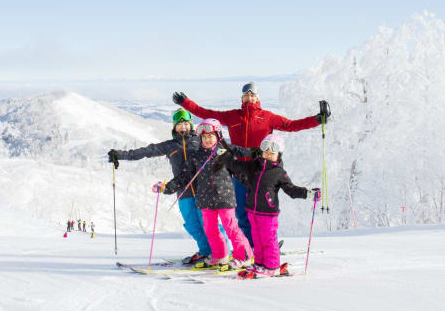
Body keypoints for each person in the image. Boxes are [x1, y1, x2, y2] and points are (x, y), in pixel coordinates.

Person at [172, 82, 330, 246]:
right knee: (241, 213)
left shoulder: (268, 117)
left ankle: (270, 245)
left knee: (264, 211)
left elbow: (291, 125)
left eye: (252, 94)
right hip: (239, 171)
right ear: (242, 98)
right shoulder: (233, 116)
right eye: (246, 95)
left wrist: (317, 120)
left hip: (261, 171)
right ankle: (250, 247)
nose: (249, 97)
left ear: (257, 97)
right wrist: (185, 103)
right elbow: (205, 113)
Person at [108, 109, 232, 265]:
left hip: (204, 191)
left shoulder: (200, 141)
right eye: (180, 125)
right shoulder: (170, 146)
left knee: (209, 225)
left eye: (186, 124)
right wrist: (120, 155)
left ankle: (226, 252)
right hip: (183, 191)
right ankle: (206, 251)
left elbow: (220, 147)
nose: (184, 127)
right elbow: (146, 151)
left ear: (191, 125)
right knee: (192, 225)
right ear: (174, 127)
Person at [154, 118, 253, 269]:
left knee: (230, 227)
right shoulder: (196, 155)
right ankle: (220, 256)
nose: (207, 140)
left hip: (224, 197)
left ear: (218, 136)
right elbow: (184, 176)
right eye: (204, 137)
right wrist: (167, 187)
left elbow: (240, 165)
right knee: (210, 230)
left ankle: (244, 256)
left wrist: (259, 156)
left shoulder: (223, 152)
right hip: (205, 200)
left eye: (210, 136)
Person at [221, 133, 321, 278]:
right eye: (265, 150)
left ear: (279, 154)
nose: (268, 154)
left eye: (272, 152)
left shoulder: (279, 173)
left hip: (268, 213)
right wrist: (225, 155)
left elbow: (291, 190)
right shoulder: (254, 167)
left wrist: (308, 193)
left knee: (268, 240)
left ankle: (272, 266)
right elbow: (236, 166)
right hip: (252, 210)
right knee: (257, 239)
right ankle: (260, 263)